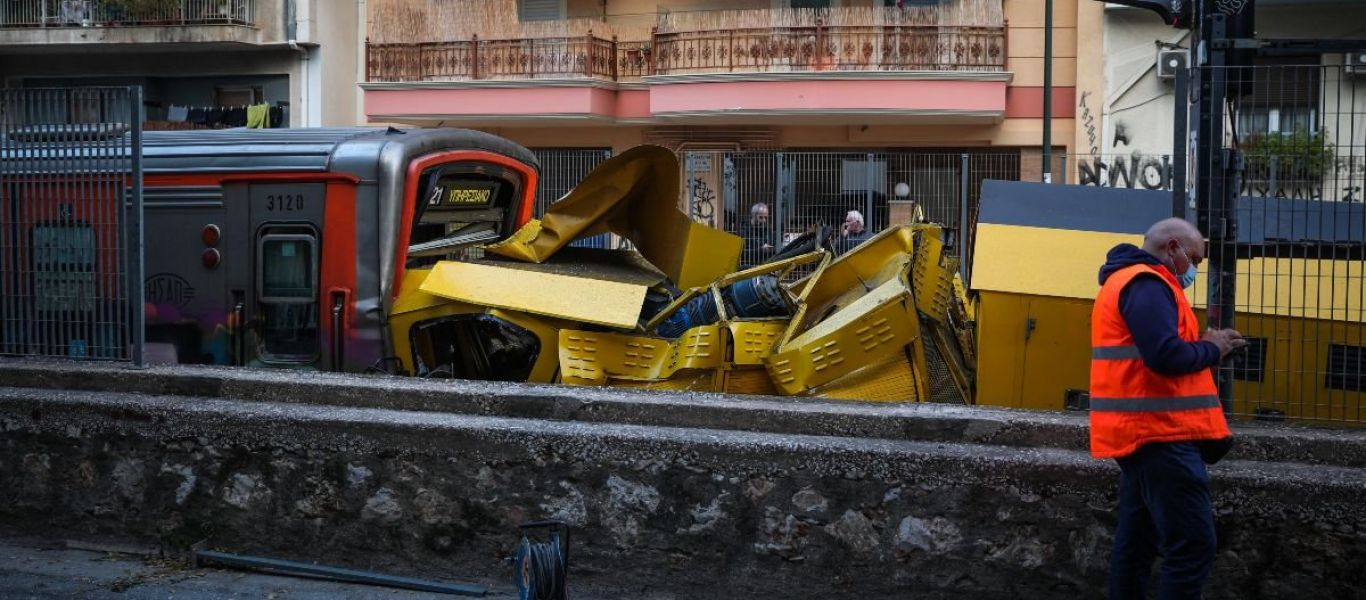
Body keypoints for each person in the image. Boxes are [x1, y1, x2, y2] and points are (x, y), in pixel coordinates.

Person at [1091, 217, 1246, 600]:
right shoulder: (1148, 284)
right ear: (1172, 248)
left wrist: (1208, 345)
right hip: (1160, 435)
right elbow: (1164, 355)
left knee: (1138, 543)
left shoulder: (1128, 281)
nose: (1195, 268)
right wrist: (1213, 348)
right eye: (1194, 258)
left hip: (1143, 433)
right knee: (1192, 546)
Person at [738, 202, 775, 267]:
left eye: (766, 218)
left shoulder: (768, 231)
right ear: (753, 215)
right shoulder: (743, 232)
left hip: (765, 267)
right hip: (748, 268)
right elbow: (740, 254)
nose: (764, 220)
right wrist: (761, 250)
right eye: (761, 217)